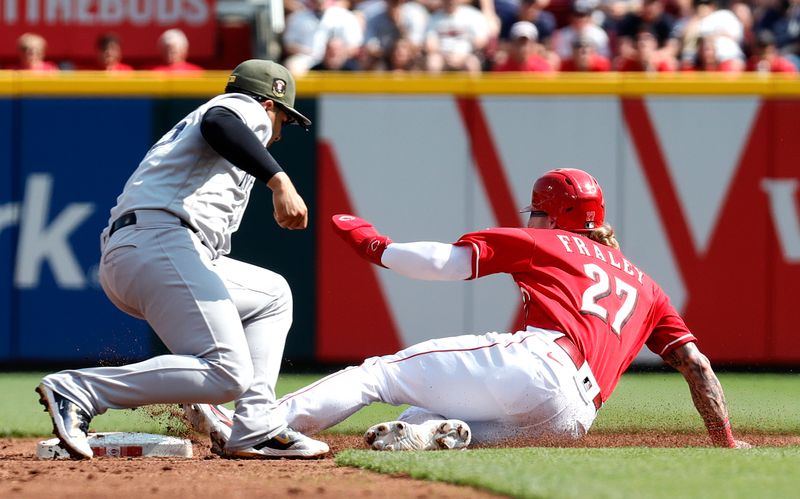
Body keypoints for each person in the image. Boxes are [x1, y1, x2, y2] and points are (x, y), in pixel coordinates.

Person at [187, 168, 750, 452]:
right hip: (571, 422)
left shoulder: (547, 242)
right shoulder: (648, 286)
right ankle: (432, 434)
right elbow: (697, 367)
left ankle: (252, 426)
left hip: (542, 362)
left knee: (377, 374)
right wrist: (724, 439)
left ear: (556, 215)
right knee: (413, 421)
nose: (530, 219)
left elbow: (443, 264)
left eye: (537, 210)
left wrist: (374, 246)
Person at [35, 59, 329, 460]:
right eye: (284, 121)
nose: (279, 133)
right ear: (269, 105)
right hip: (161, 242)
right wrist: (280, 180)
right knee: (229, 373)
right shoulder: (245, 109)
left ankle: (257, 426)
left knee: (272, 294)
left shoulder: (207, 127)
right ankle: (81, 389)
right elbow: (221, 122)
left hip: (152, 251)